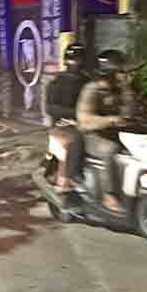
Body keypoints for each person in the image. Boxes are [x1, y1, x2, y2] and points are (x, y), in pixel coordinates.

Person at [76, 50, 135, 214]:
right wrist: (111, 120)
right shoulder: (92, 90)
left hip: (118, 133)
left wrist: (126, 89)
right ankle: (109, 195)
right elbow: (84, 119)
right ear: (109, 72)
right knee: (112, 151)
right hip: (94, 136)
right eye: (120, 70)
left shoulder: (119, 89)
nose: (123, 73)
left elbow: (130, 112)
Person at [46, 43, 90, 191]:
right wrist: (75, 113)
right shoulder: (58, 82)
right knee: (77, 138)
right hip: (63, 124)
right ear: (66, 61)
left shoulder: (88, 81)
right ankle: (67, 179)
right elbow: (51, 108)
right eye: (72, 60)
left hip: (87, 122)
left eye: (78, 60)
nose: (75, 63)